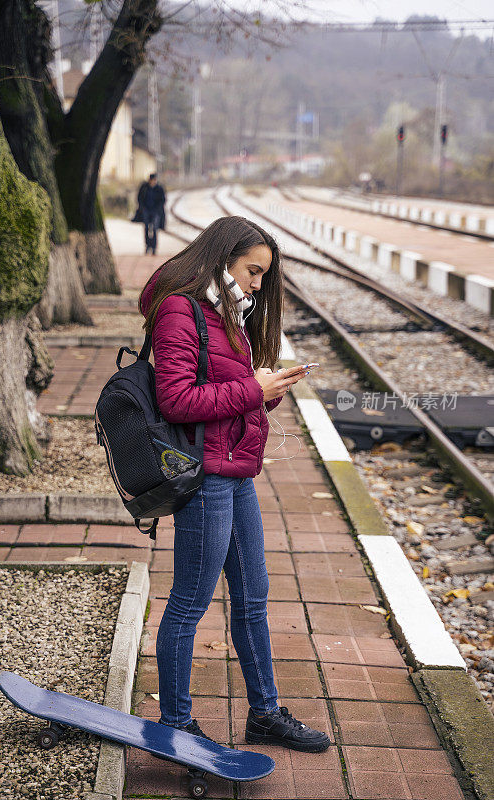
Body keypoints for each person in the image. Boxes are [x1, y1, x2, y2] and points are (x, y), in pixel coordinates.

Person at [139, 216, 331, 754]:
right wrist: (253, 387)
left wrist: (268, 389)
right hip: (205, 479)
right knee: (189, 603)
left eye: (263, 276)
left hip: (237, 472)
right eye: (253, 271)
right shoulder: (181, 310)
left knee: (252, 597)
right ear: (222, 259)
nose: (257, 285)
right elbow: (176, 400)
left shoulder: (228, 311)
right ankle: (175, 722)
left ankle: (265, 714)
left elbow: (226, 390)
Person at [137, 173, 166, 255]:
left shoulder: (159, 188)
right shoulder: (144, 187)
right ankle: (147, 246)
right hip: (146, 211)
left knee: (154, 229)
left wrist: (158, 209)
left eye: (154, 180)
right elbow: (139, 198)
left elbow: (162, 200)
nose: (153, 182)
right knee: (146, 228)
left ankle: (154, 247)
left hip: (156, 212)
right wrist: (142, 208)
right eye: (152, 180)